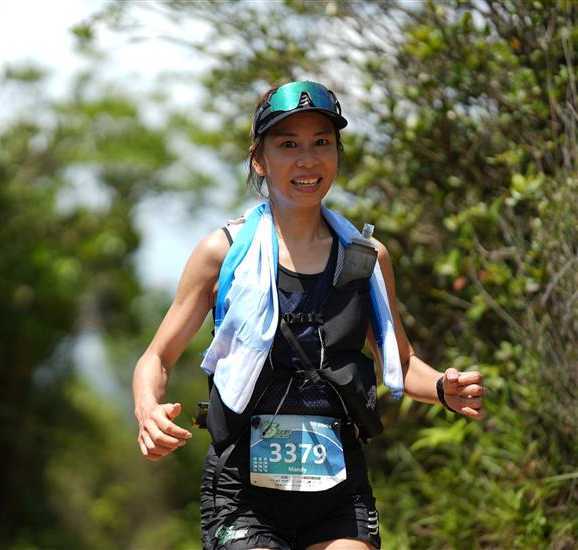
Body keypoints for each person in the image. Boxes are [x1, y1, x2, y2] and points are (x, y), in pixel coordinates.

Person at [132, 80, 485, 549]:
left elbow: (400, 364)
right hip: (242, 488)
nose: (307, 160)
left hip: (337, 483)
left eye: (321, 142)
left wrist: (442, 387)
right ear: (259, 160)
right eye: (288, 145)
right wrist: (148, 410)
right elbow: (156, 358)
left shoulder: (366, 257)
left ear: (337, 154)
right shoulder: (224, 252)